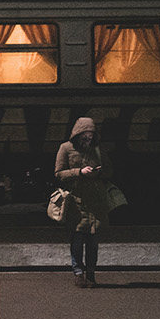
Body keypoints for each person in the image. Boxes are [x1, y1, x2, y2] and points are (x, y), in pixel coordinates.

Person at [55, 116, 115, 288]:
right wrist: (79, 172)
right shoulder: (65, 148)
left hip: (96, 201)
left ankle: (91, 273)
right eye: (84, 135)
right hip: (76, 200)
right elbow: (59, 173)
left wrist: (98, 172)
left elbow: (110, 170)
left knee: (93, 241)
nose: (87, 139)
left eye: (90, 135)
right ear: (77, 134)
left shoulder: (98, 149)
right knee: (77, 238)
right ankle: (78, 273)